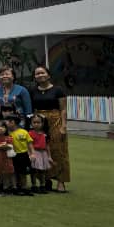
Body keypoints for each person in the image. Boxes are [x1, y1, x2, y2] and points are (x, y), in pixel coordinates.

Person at [29, 65, 69, 193]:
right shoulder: (33, 91)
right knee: (41, 150)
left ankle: (61, 181)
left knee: (58, 150)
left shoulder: (58, 90)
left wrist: (63, 126)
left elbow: (63, 109)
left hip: (55, 120)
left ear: (48, 75)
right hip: (39, 121)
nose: (40, 75)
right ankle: (45, 180)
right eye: (37, 74)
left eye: (42, 73)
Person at [6, 116, 33, 196]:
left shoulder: (24, 132)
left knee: (23, 173)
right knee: (13, 172)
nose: (6, 123)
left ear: (13, 122)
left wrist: (32, 153)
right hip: (12, 155)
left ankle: (24, 187)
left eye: (7, 121)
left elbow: (30, 143)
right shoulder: (7, 133)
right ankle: (14, 187)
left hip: (23, 155)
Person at [28, 114, 53, 194]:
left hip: (43, 154)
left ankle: (42, 185)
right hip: (34, 152)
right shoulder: (30, 133)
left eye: (38, 122)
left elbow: (47, 146)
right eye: (34, 122)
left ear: (42, 123)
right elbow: (29, 144)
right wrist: (30, 154)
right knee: (34, 170)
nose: (36, 124)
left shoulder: (44, 134)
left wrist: (49, 156)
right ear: (31, 123)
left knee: (42, 171)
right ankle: (34, 185)